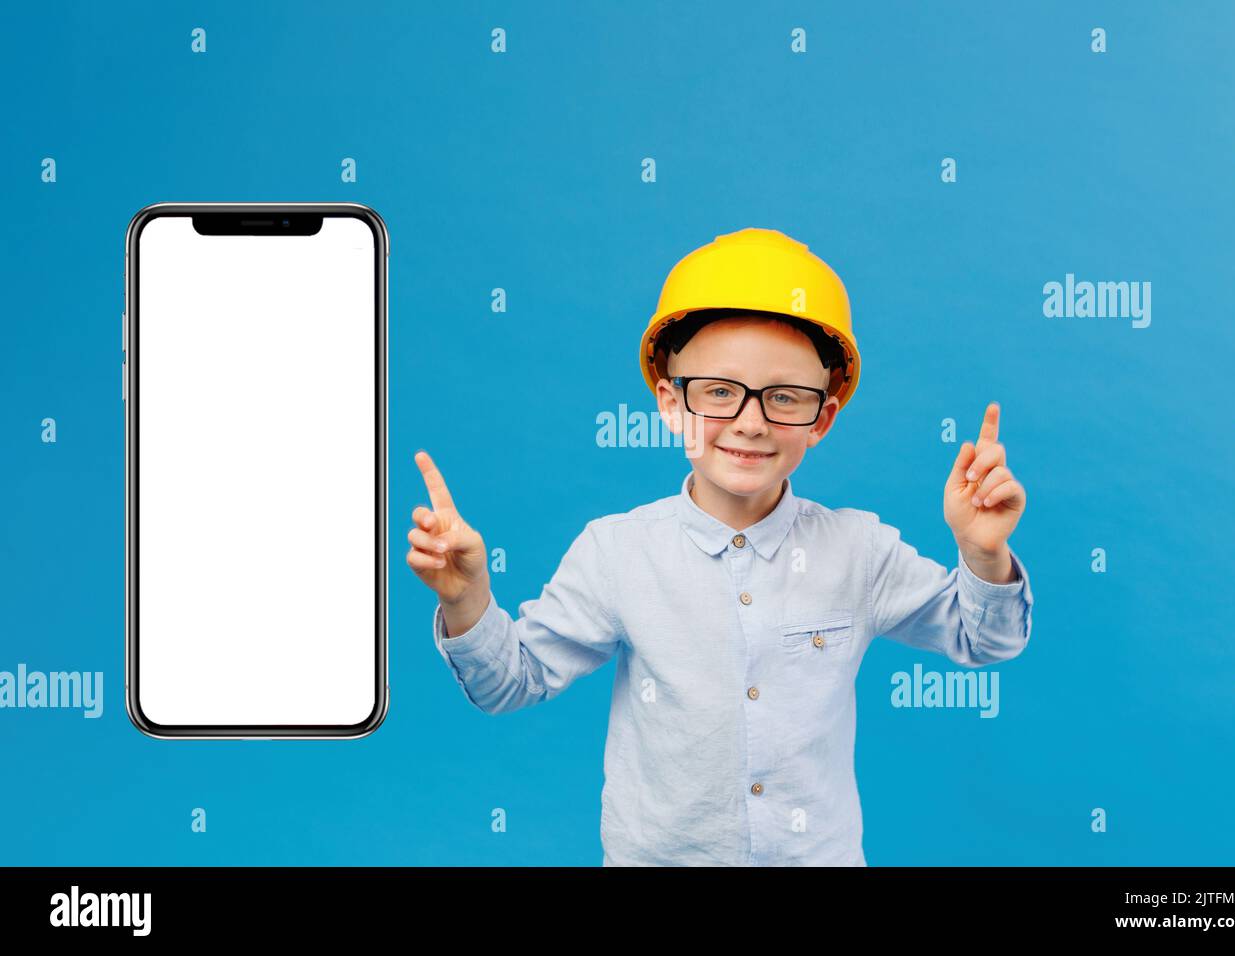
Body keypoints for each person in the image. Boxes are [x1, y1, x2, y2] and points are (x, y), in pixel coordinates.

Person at [407, 227, 1033, 865]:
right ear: (671, 404)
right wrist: (468, 601)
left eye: (785, 397)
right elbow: (509, 683)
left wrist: (982, 554)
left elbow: (983, 639)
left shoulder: (858, 550)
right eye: (719, 392)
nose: (751, 421)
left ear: (824, 416)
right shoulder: (616, 553)